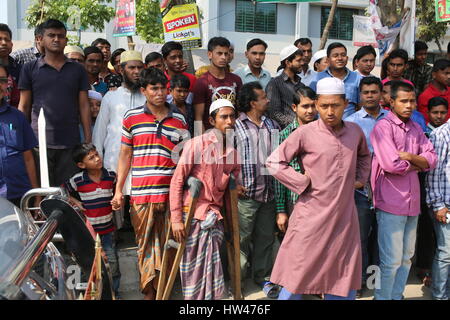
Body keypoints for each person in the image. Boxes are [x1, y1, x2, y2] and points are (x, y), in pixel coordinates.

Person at [266, 77, 370, 300]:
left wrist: (359, 179)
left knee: (341, 276)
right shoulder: (305, 133)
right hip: (311, 217)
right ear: (316, 105)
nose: (329, 111)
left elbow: (364, 156)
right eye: (323, 106)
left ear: (346, 103)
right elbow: (274, 162)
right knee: (298, 275)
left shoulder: (355, 132)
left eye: (335, 105)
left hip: (344, 218)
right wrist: (300, 182)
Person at [111, 67, 187, 300]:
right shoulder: (131, 117)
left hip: (170, 196)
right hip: (141, 194)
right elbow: (125, 156)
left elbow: (184, 160)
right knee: (144, 248)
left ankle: (164, 291)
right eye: (154, 88)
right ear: (143, 91)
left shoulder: (180, 119)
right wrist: (118, 191)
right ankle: (149, 293)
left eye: (163, 88)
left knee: (170, 247)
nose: (160, 93)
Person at [370, 81, 437, 300]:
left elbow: (432, 159)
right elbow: (390, 164)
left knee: (407, 257)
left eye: (412, 101)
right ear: (391, 102)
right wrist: (418, 164)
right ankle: (383, 297)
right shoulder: (383, 127)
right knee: (390, 260)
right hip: (391, 202)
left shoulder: (417, 127)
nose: (409, 105)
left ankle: (396, 296)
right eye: (404, 101)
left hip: (412, 202)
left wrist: (410, 157)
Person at [170, 99, 243, 300]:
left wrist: (230, 223)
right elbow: (177, 182)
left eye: (232, 116)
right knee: (194, 269)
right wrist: (176, 219)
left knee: (215, 268)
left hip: (215, 218)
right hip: (192, 215)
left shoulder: (233, 154)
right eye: (224, 117)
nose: (229, 121)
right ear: (212, 120)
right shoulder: (196, 144)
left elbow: (233, 190)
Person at [18, 19, 91, 187]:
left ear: (66, 40)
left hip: (71, 142)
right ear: (40, 39)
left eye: (61, 36)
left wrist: (87, 138)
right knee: (43, 194)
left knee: (67, 195)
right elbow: (24, 106)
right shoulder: (30, 68)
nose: (56, 39)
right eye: (51, 35)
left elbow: (84, 105)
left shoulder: (77, 69)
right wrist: (22, 138)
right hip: (39, 143)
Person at [234, 82, 280, 297]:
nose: (268, 100)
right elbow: (226, 156)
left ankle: (261, 277)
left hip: (269, 193)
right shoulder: (236, 126)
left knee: (265, 239)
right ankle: (238, 281)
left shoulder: (272, 125)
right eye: (263, 97)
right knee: (241, 240)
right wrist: (235, 182)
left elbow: (279, 156)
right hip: (246, 195)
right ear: (253, 102)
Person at [344, 76, 388, 297]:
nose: (370, 96)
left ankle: (376, 280)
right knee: (359, 237)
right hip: (361, 190)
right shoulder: (351, 122)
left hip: (388, 189)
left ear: (381, 94)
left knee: (381, 238)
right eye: (366, 92)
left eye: (374, 92)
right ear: (359, 95)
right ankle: (359, 281)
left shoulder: (391, 119)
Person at [63, 143, 121, 298]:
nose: (97, 159)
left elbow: (117, 192)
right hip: (88, 234)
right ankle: (94, 295)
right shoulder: (78, 180)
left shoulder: (111, 176)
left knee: (112, 265)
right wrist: (75, 202)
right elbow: (62, 191)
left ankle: (114, 294)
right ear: (81, 165)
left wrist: (116, 200)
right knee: (90, 266)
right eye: (91, 157)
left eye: (97, 155)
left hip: (108, 231)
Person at [275, 87, 317, 234]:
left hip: (320, 200)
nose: (310, 111)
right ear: (294, 107)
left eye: (313, 105)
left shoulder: (325, 132)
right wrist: (281, 211)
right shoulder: (285, 135)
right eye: (305, 106)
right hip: (294, 200)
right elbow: (278, 175)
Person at [0, 63, 38, 207]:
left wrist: (36, 193)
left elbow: (28, 157)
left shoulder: (17, 116)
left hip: (20, 195)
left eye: (2, 80)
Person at [193, 37, 242, 131]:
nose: (223, 57)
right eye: (219, 53)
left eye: (226, 54)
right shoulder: (202, 82)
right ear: (209, 54)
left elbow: (239, 113)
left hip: (232, 134)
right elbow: (198, 118)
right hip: (210, 135)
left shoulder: (236, 80)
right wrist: (200, 142)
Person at [425, 115, 450, 300]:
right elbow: (434, 172)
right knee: (446, 252)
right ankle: (439, 296)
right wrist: (439, 205)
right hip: (445, 205)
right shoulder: (441, 134)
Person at [310, 42, 361, 119]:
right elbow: (311, 103)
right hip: (324, 126)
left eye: (343, 55)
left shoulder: (357, 78)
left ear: (347, 58)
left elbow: (361, 106)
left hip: (348, 126)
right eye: (335, 55)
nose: (340, 58)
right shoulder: (317, 78)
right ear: (328, 59)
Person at [265, 45, 305, 129]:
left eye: (302, 60)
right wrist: (296, 125)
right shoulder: (274, 84)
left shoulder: (301, 85)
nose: (302, 63)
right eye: (298, 60)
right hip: (284, 135)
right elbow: (274, 113)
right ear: (288, 63)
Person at [0, 24, 21, 108]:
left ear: (12, 44)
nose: (4, 43)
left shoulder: (21, 70)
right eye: (0, 39)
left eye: (7, 39)